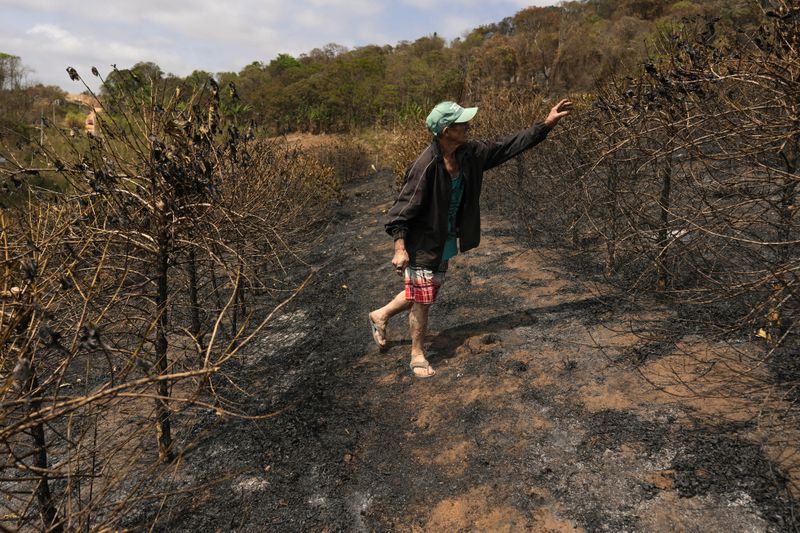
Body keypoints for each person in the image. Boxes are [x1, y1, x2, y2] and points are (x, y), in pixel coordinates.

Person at [369, 98, 573, 377]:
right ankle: (417, 354)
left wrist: (545, 125)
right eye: (461, 123)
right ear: (446, 131)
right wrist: (400, 248)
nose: (468, 126)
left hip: (446, 236)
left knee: (427, 289)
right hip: (422, 240)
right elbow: (400, 212)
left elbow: (506, 147)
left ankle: (380, 315)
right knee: (423, 299)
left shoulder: (470, 153)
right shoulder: (425, 166)